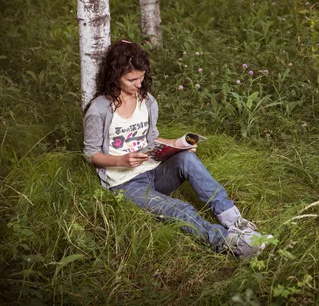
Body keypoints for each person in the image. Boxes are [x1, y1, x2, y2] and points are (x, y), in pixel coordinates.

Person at [83, 40, 270, 258]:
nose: (139, 85)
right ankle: (230, 244)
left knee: (187, 160)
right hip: (125, 183)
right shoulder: (100, 109)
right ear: (115, 77)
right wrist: (121, 161)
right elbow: (90, 153)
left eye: (142, 78)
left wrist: (178, 145)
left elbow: (151, 138)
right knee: (179, 209)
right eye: (131, 80)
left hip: (153, 170)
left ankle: (235, 221)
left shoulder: (147, 101)